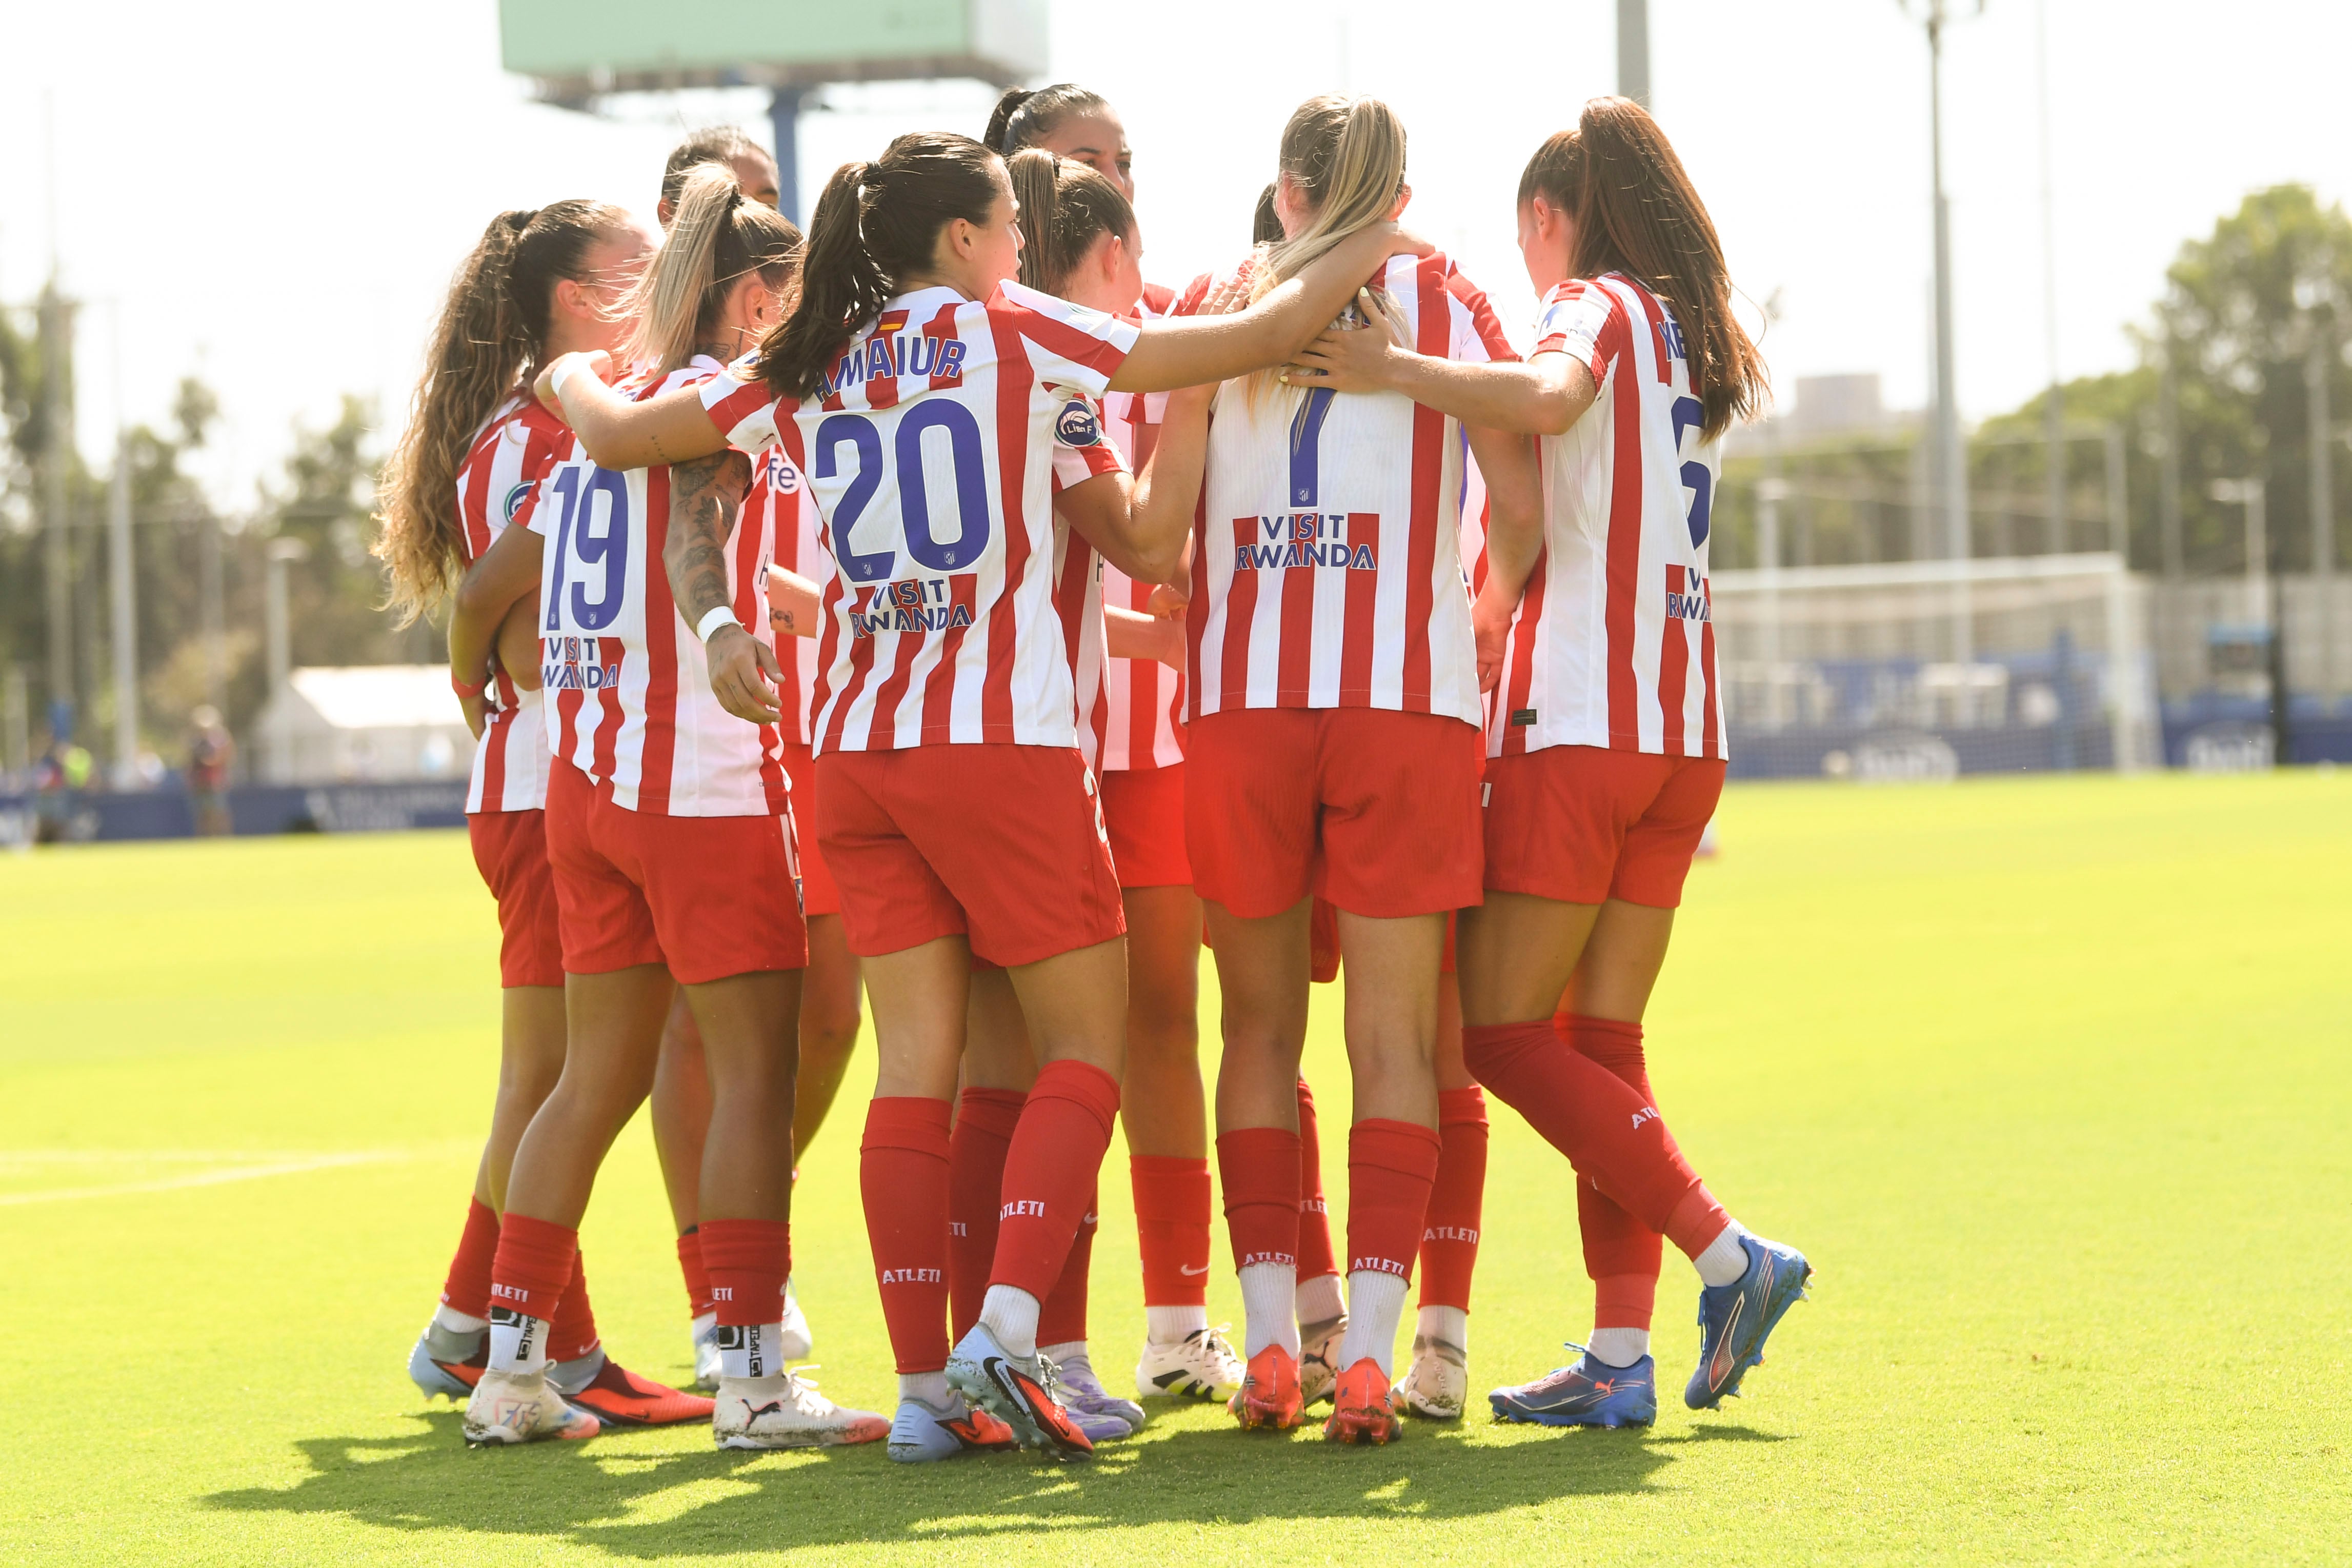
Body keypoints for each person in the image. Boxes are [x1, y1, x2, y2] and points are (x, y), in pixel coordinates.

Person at [541, 128, 1432, 1461]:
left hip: (850, 750)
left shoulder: (811, 349)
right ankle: (1002, 1336)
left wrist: (556, 365)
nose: (1019, 241)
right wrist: (1378, 218)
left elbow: (616, 434)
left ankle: (922, 1391)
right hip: (1001, 747)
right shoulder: (1017, 331)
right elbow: (1256, 355)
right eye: (1009, 219)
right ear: (965, 240)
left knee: (916, 1069)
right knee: (1085, 1045)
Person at [1285, 95, 1810, 1428]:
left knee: (1506, 1034)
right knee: (1603, 1040)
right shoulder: (1701, 335)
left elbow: (1548, 390)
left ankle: (1726, 1252)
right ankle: (1620, 1358)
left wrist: (1398, 371)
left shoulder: (1599, 304)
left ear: (1547, 220)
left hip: (1579, 721)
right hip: (1682, 733)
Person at [445, 167, 884, 1450]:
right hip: (695, 787)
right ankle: (750, 1378)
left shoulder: (596, 404)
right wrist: (723, 622)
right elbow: (698, 521)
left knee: (593, 1079)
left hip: (586, 790)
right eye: (787, 299)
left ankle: (510, 1367)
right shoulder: (710, 399)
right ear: (749, 296)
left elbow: (497, 579)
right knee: (750, 1075)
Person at [1164, 92, 1543, 1447]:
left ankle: (1273, 1345)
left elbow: (1160, 520)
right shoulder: (1444, 295)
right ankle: (1375, 1358)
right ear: (1398, 190)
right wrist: (1474, 624)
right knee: (1394, 1040)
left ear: (1286, 195)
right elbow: (1524, 501)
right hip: (1405, 705)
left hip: (1240, 705)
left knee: (1254, 1030)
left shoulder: (1219, 298)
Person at [373, 198, 711, 1431]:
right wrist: (471, 659)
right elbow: (501, 587)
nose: (662, 275)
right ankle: (527, 1341)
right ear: (576, 297)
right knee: (560, 1076)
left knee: (569, 1070)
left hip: (566, 781)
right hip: (545, 784)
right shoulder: (536, 432)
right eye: (637, 261)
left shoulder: (571, 417)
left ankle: (480, 1322)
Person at [986, 85, 1245, 1411]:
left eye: (1122, 161)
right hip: (1031, 742)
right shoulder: (1019, 345)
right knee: (1033, 1047)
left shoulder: (1156, 315)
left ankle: (1178, 1318)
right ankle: (1032, 1338)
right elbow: (1140, 542)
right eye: (1082, 164)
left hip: (1144, 739)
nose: (1111, 181)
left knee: (1166, 1023)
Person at [187, 707, 233, 836]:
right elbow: (190, 762)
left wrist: (209, 762)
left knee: (218, 811)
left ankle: (222, 837)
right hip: (200, 782)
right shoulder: (195, 741)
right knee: (202, 813)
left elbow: (224, 756)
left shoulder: (219, 740)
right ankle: (205, 837)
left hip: (215, 781)